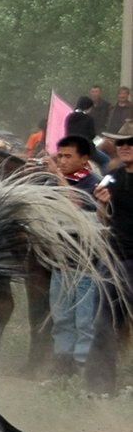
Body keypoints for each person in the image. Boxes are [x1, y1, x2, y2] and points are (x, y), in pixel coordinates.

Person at [85, 121, 133, 395]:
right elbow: (106, 218)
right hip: (114, 258)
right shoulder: (114, 177)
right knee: (103, 325)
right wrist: (103, 204)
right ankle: (100, 386)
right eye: (122, 142)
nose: (125, 146)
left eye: (131, 142)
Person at [48, 135, 101, 376]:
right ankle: (62, 367)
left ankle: (81, 370)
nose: (62, 161)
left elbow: (77, 205)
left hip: (87, 265)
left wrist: (57, 177)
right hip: (60, 261)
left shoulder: (94, 184)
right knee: (61, 319)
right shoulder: (55, 184)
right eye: (60, 156)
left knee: (84, 321)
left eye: (68, 156)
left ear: (85, 158)